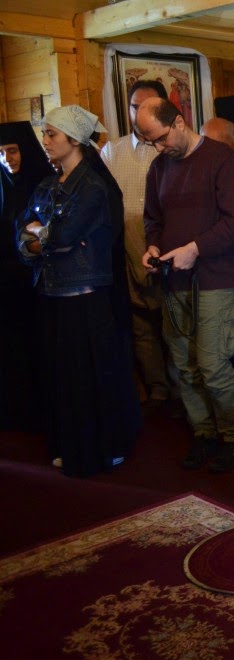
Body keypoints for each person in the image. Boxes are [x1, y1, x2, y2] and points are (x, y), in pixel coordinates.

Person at [16, 105, 139, 476]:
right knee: (61, 376)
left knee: (89, 375)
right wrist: (38, 237)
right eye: (45, 133)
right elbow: (21, 231)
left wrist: (40, 234)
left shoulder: (93, 186)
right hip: (52, 293)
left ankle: (102, 447)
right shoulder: (48, 184)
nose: (45, 140)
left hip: (86, 298)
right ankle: (70, 445)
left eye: (52, 133)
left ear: (74, 139)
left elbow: (63, 235)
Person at [137, 98, 234, 473]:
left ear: (179, 122)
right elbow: (153, 219)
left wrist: (196, 248)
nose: (159, 147)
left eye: (161, 138)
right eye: (150, 142)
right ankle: (204, 433)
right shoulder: (159, 167)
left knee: (213, 365)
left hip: (217, 278)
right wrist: (153, 246)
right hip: (174, 279)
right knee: (184, 366)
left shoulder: (222, 160)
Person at [102, 79, 172, 416]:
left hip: (166, 241)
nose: (140, 112)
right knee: (141, 321)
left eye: (148, 105)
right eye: (135, 106)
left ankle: (182, 390)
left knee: (172, 318)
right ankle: (158, 388)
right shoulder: (112, 151)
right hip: (127, 242)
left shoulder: (169, 149)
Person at [0, 121, 54, 431]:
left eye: (12, 150)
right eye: (0, 153)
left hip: (37, 282)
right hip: (7, 286)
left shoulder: (44, 184)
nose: (7, 159)